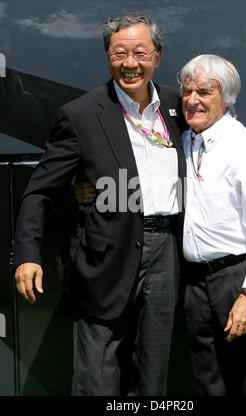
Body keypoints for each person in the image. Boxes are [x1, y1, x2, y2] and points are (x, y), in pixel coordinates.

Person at [13, 14, 186, 396]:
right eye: (119, 53)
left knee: (153, 376)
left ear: (157, 56)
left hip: (167, 253)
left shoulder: (179, 109)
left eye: (140, 53)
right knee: (97, 377)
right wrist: (27, 254)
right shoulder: (80, 115)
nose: (130, 63)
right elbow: (40, 192)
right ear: (108, 57)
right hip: (105, 252)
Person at [180, 54, 246, 395]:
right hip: (195, 283)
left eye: (204, 92)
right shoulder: (186, 141)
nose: (193, 100)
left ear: (226, 98)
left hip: (240, 280)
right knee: (210, 383)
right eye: (187, 91)